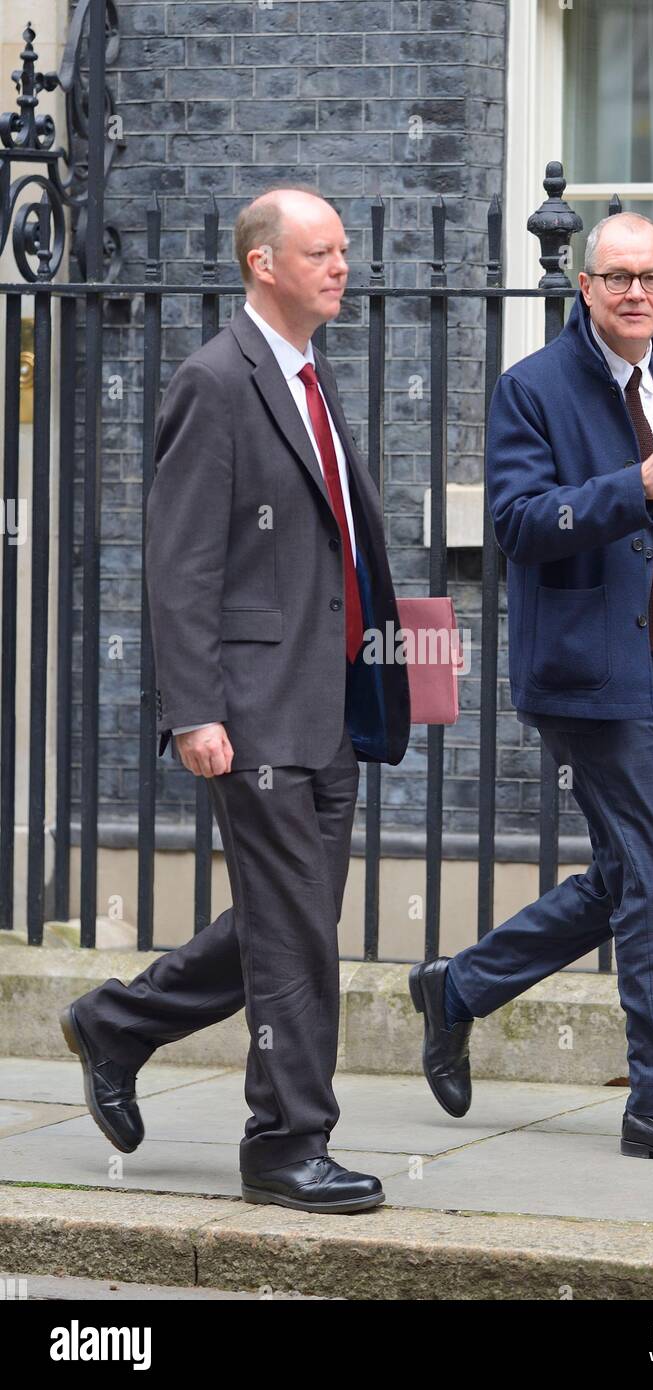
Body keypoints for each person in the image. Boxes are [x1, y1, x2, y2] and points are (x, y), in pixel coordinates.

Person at [60, 187, 410, 1213]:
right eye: (322, 251)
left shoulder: (311, 374)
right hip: (254, 707)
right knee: (298, 929)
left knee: (284, 920)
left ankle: (119, 1023)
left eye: (344, 249)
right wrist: (194, 709)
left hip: (332, 698)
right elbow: (180, 566)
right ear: (264, 264)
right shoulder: (217, 381)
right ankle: (286, 1141)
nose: (344, 265)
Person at [409, 211, 653, 1167]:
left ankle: (458, 988)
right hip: (583, 675)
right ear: (584, 287)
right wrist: (631, 484)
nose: (637, 293)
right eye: (618, 278)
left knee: (626, 877)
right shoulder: (532, 389)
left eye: (652, 276)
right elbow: (519, 524)